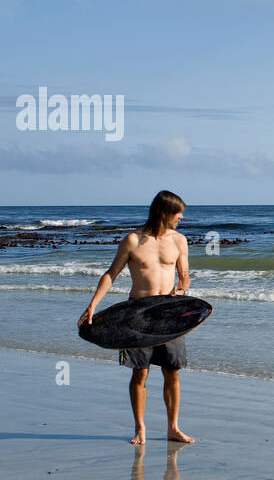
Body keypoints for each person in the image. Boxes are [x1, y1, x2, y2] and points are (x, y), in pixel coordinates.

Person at [78, 190, 194, 445]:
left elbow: (185, 275)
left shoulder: (179, 241)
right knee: (140, 373)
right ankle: (140, 428)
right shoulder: (133, 240)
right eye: (178, 213)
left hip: (169, 315)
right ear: (164, 213)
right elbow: (111, 274)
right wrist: (93, 305)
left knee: (172, 371)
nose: (182, 217)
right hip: (138, 315)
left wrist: (182, 289)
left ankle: (173, 428)